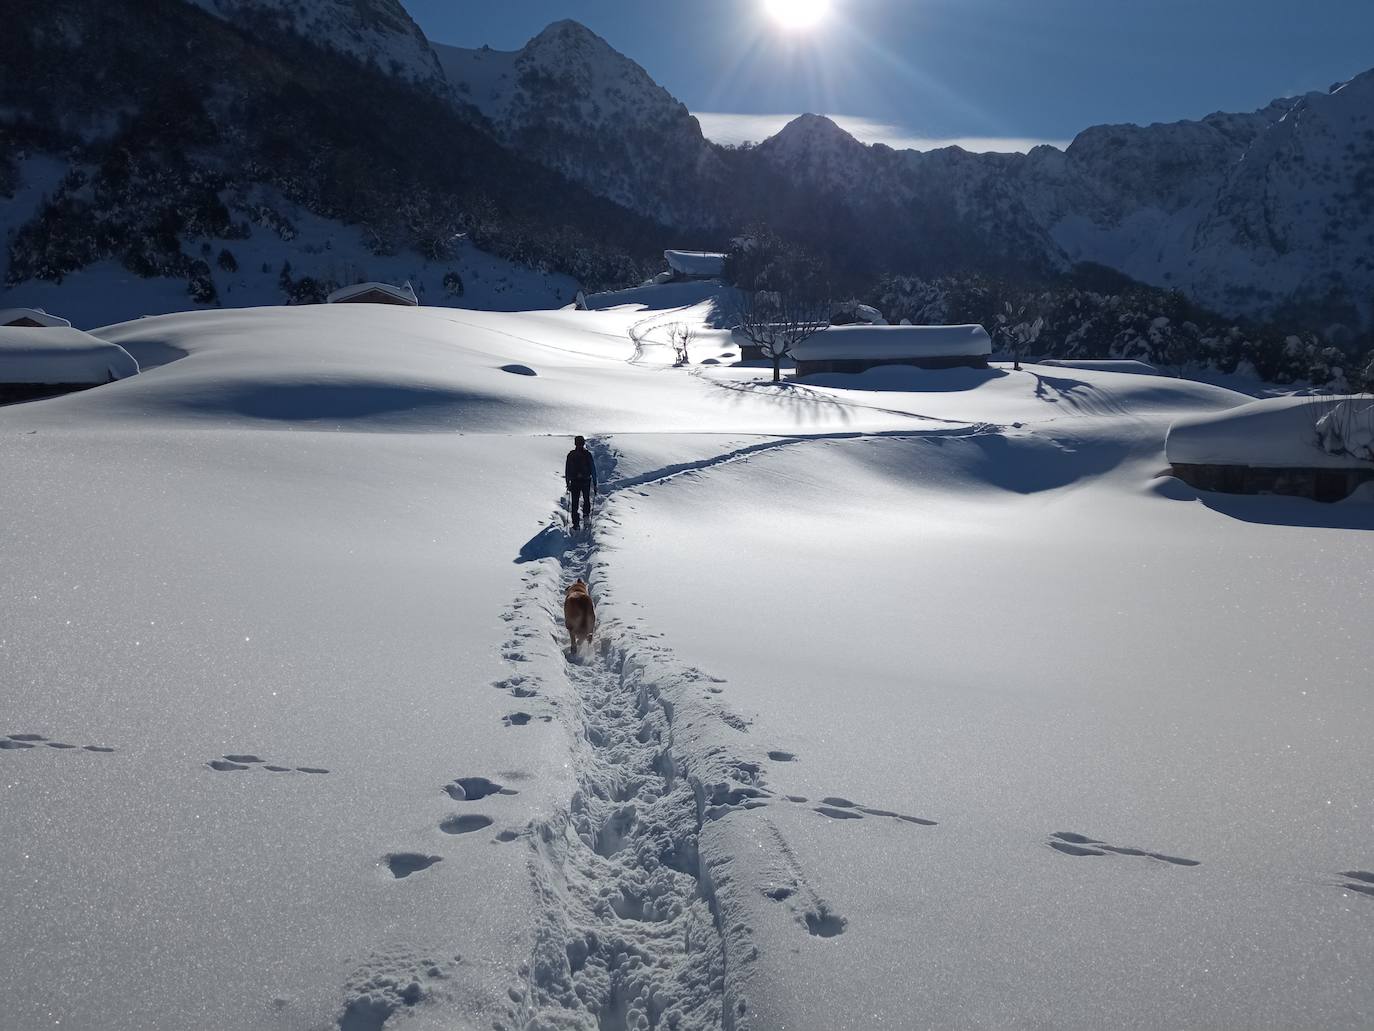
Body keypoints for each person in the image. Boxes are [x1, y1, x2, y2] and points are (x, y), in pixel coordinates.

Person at [564, 435, 597, 530]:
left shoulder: (571, 455)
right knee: (586, 499)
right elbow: (593, 469)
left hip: (574, 481)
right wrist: (595, 483)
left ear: (575, 443)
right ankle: (586, 517)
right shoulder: (587, 454)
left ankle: (576, 523)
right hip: (586, 481)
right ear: (583, 443)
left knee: (575, 502)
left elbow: (567, 470)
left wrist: (567, 482)